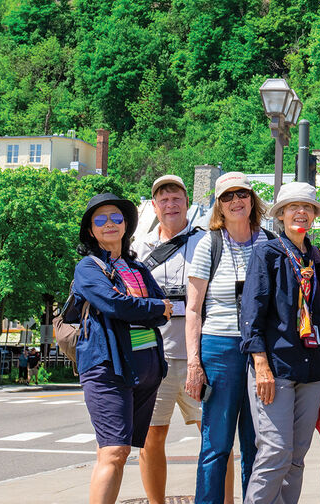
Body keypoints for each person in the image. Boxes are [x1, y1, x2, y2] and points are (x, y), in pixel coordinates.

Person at [239, 182, 320, 504]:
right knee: (275, 451)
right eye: (293, 207)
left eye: (308, 208)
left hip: (314, 370)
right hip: (276, 367)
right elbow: (252, 311)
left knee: (297, 456)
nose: (301, 212)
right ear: (281, 215)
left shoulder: (314, 255)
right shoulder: (266, 251)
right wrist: (260, 365)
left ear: (313, 216)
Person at [72, 193, 175, 504]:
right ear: (90, 230)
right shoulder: (87, 268)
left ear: (126, 225)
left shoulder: (137, 267)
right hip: (107, 366)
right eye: (100, 220)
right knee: (114, 450)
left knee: (121, 449)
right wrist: (152, 307)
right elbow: (115, 304)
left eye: (116, 218)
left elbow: (162, 310)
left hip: (143, 368)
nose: (109, 224)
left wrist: (150, 307)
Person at [185, 171, 273, 504]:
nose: (236, 201)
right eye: (228, 196)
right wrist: (195, 362)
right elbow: (193, 310)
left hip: (259, 352)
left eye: (242, 194)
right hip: (219, 347)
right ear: (219, 206)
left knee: (258, 444)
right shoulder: (210, 243)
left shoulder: (268, 241)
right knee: (216, 443)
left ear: (252, 200)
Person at [128, 175, 204, 504]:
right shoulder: (138, 249)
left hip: (198, 356)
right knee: (151, 436)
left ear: (187, 203)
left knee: (215, 437)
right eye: (163, 199)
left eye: (176, 198)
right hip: (153, 356)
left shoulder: (206, 242)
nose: (170, 204)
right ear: (154, 206)